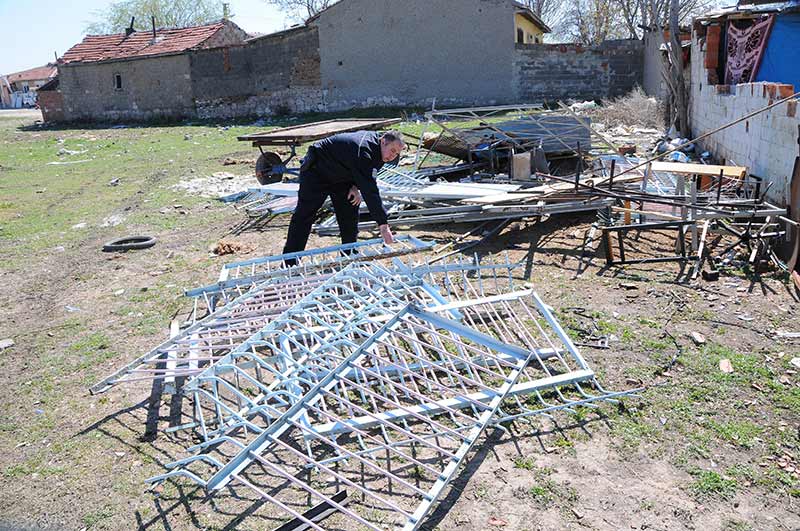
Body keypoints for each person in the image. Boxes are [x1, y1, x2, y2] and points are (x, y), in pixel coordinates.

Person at [282, 130, 405, 255]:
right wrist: (383, 225)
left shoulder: (381, 151)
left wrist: (355, 186)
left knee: (350, 211)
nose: (393, 156)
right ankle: (290, 262)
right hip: (317, 170)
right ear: (383, 141)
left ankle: (349, 255)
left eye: (397, 154)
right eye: (393, 151)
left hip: (341, 175)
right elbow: (370, 191)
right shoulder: (363, 149)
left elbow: (365, 173)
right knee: (304, 215)